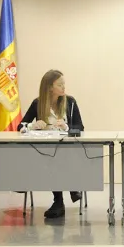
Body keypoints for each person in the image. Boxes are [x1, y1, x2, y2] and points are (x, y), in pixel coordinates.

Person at [21, 70, 84, 219]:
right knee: (53, 159)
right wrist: (33, 125)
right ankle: (71, 187)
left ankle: (59, 201)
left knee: (59, 160)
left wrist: (66, 127)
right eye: (60, 84)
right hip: (46, 152)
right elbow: (20, 126)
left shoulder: (70, 102)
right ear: (50, 87)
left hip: (68, 150)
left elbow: (80, 127)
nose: (64, 87)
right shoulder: (38, 103)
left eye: (64, 84)